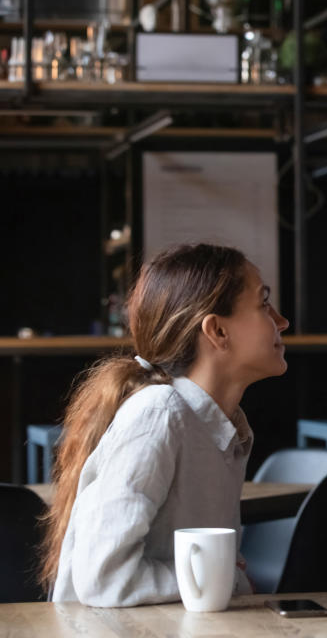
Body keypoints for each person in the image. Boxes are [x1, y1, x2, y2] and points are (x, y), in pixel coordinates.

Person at [39, 243, 290, 607]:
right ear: (218, 331)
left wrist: (219, 577)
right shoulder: (159, 415)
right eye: (262, 303)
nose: (281, 321)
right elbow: (103, 579)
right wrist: (224, 577)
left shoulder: (223, 426)